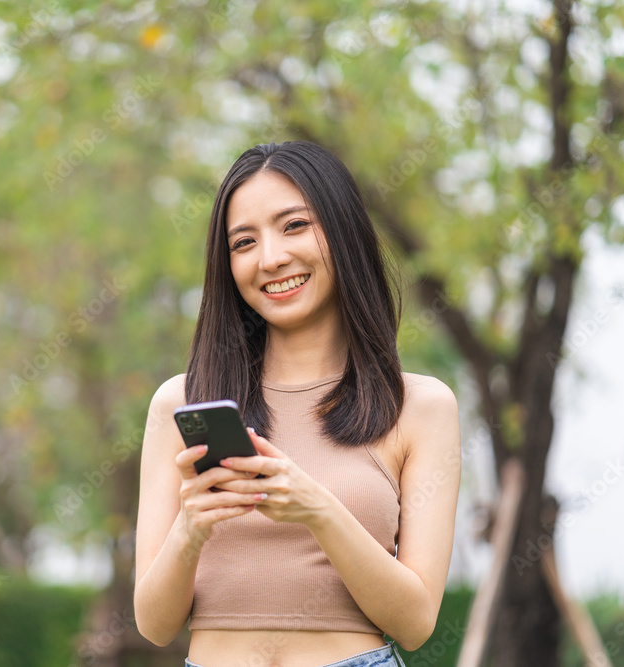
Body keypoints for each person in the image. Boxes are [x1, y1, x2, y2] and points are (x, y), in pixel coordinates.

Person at [133, 141, 461, 667]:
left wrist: (317, 509)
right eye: (243, 242)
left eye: (293, 226)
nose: (270, 258)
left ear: (342, 231)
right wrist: (191, 528)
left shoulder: (419, 406)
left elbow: (416, 623)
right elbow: (154, 624)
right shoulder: (182, 401)